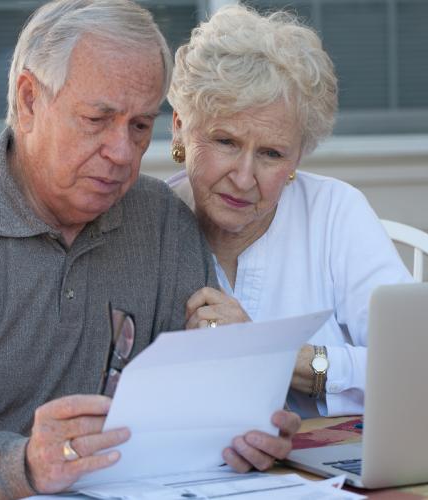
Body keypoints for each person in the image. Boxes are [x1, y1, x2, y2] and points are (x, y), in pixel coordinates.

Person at [0, 1, 300, 498]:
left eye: (140, 126)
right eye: (97, 119)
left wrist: (243, 431)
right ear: (30, 100)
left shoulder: (162, 222)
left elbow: (192, 408)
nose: (122, 152)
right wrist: (24, 466)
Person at [167, 5, 413, 419]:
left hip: (338, 469)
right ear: (179, 128)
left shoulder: (335, 213)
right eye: (225, 141)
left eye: (271, 153)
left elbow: (416, 363)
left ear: (298, 157)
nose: (244, 178)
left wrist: (270, 353)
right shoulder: (147, 226)